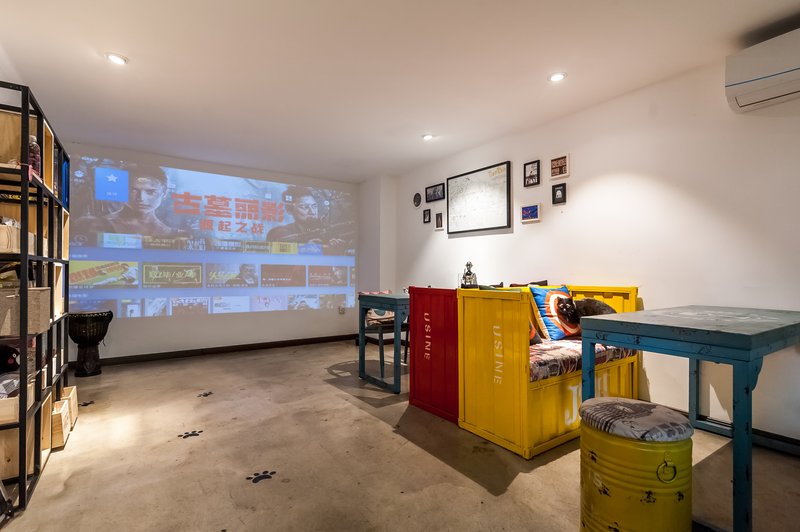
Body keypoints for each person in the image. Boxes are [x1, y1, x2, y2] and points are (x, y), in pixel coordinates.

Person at [74, 165, 188, 240]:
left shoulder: (179, 235)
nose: (141, 198)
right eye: (133, 190)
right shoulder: (90, 224)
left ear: (164, 193)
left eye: (150, 192)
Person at [265, 187, 348, 252]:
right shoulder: (279, 233)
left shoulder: (328, 231)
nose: (312, 211)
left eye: (314, 206)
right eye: (304, 207)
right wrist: (304, 249)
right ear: (289, 210)